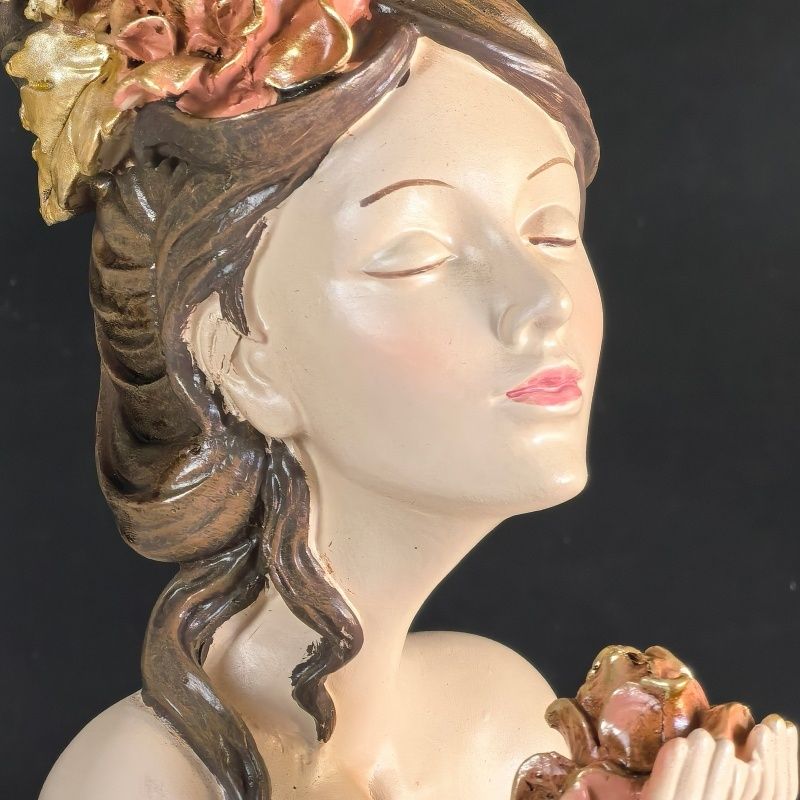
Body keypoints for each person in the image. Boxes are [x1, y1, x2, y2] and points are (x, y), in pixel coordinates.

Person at [1, 0, 795, 797]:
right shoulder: (145, 781)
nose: (544, 299)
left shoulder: (499, 728)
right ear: (238, 357)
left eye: (551, 231)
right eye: (419, 252)